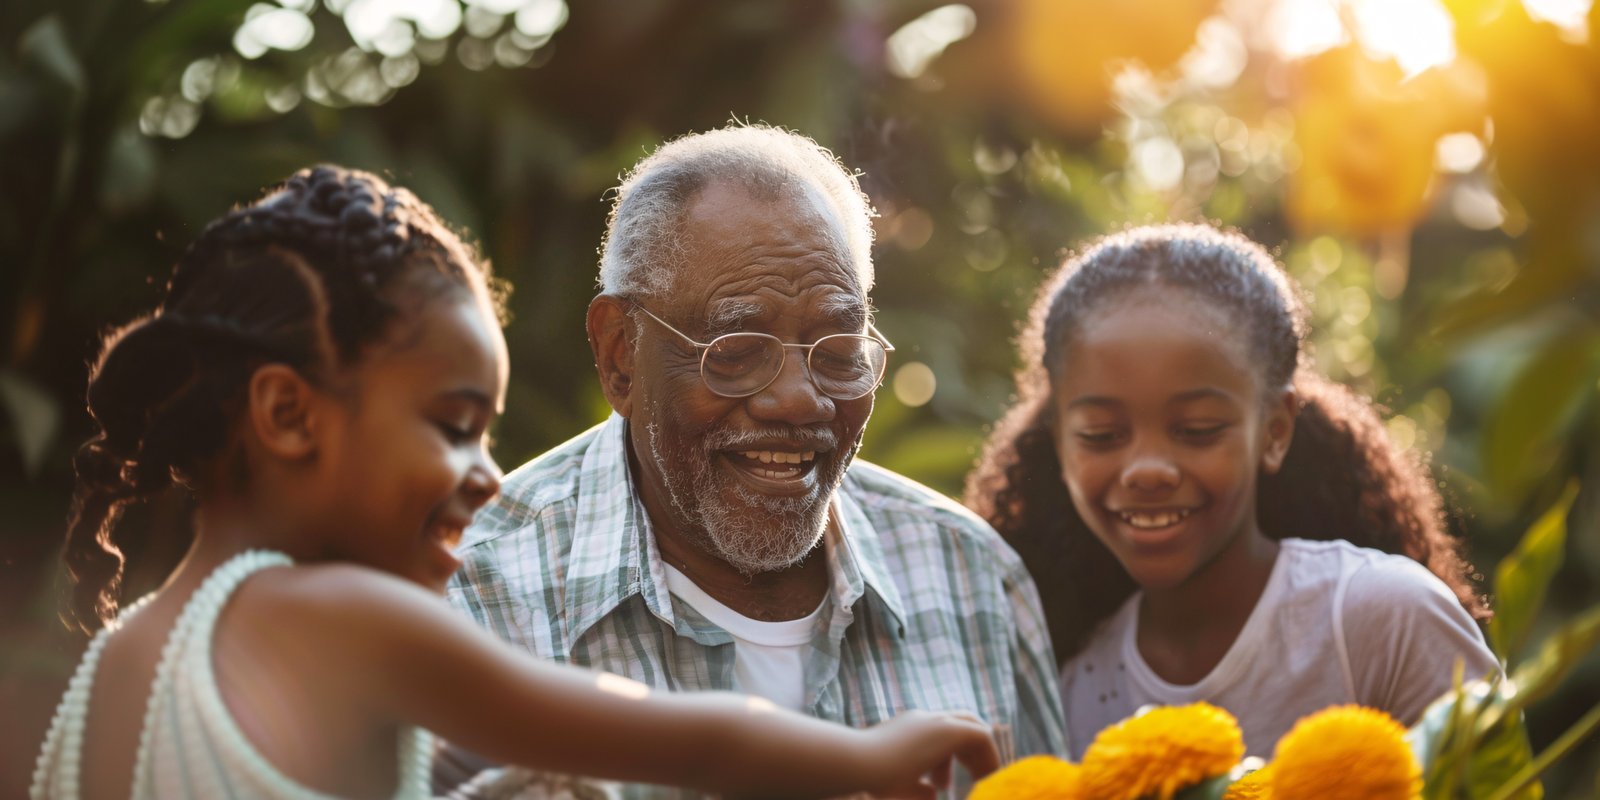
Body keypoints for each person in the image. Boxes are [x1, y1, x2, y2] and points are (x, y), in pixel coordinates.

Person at [31, 165, 1002, 800]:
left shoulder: (120, 657)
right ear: (289, 414)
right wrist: (869, 753)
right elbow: (675, 738)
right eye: (454, 427)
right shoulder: (332, 616)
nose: (489, 476)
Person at [449, 125, 1065, 797]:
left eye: (837, 351)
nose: (799, 401)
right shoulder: (469, 599)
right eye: (736, 351)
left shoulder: (971, 576)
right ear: (620, 355)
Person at [965, 223, 1499, 758]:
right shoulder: (1070, 693)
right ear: (1059, 443)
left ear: (1274, 432)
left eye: (1197, 429)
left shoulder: (1383, 621)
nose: (1147, 470)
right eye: (1102, 436)